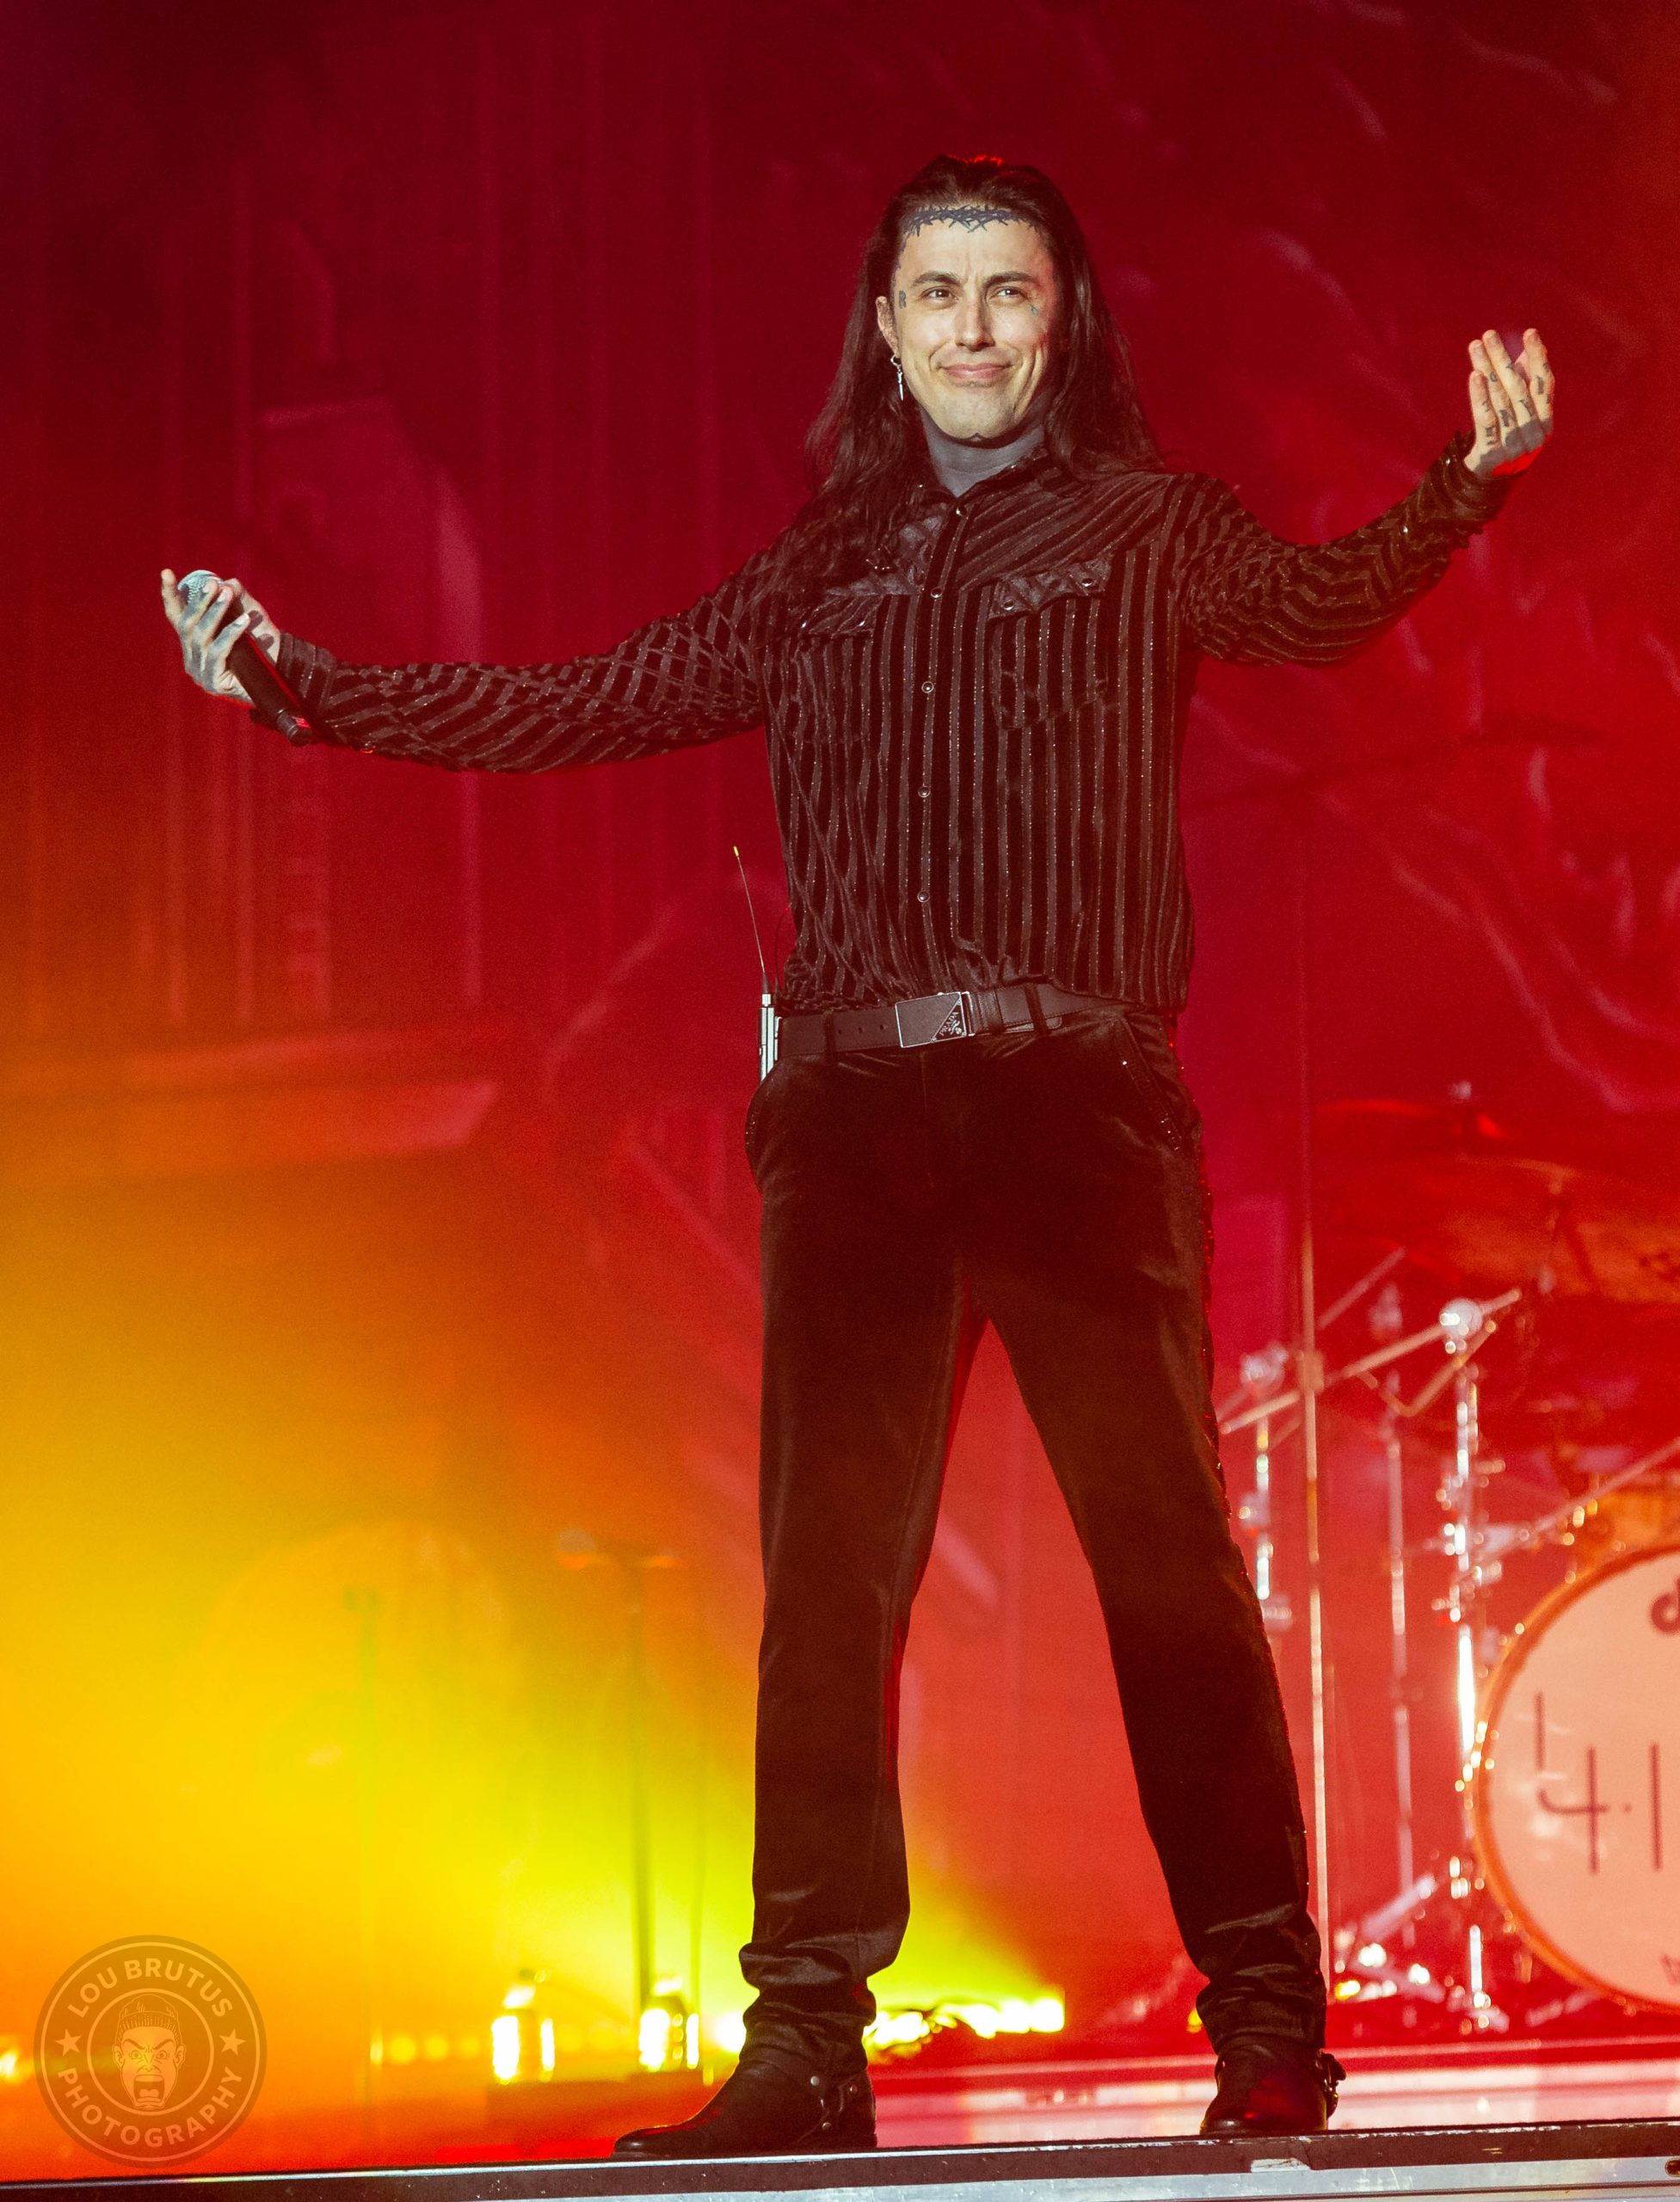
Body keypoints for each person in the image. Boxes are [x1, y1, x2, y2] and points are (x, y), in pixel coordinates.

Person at [162, 153, 1553, 2144]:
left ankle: (1266, 2023)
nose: (973, 328)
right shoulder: (819, 566)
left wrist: (1464, 482)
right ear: (887, 333)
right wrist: (298, 686)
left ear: (1061, 321)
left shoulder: (1151, 525)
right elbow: (588, 698)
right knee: (827, 1595)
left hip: (1076, 1107)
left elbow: (1317, 605)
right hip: (857, 1121)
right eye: (937, 295)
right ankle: (805, 2043)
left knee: (1166, 1576)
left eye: (1009, 291)